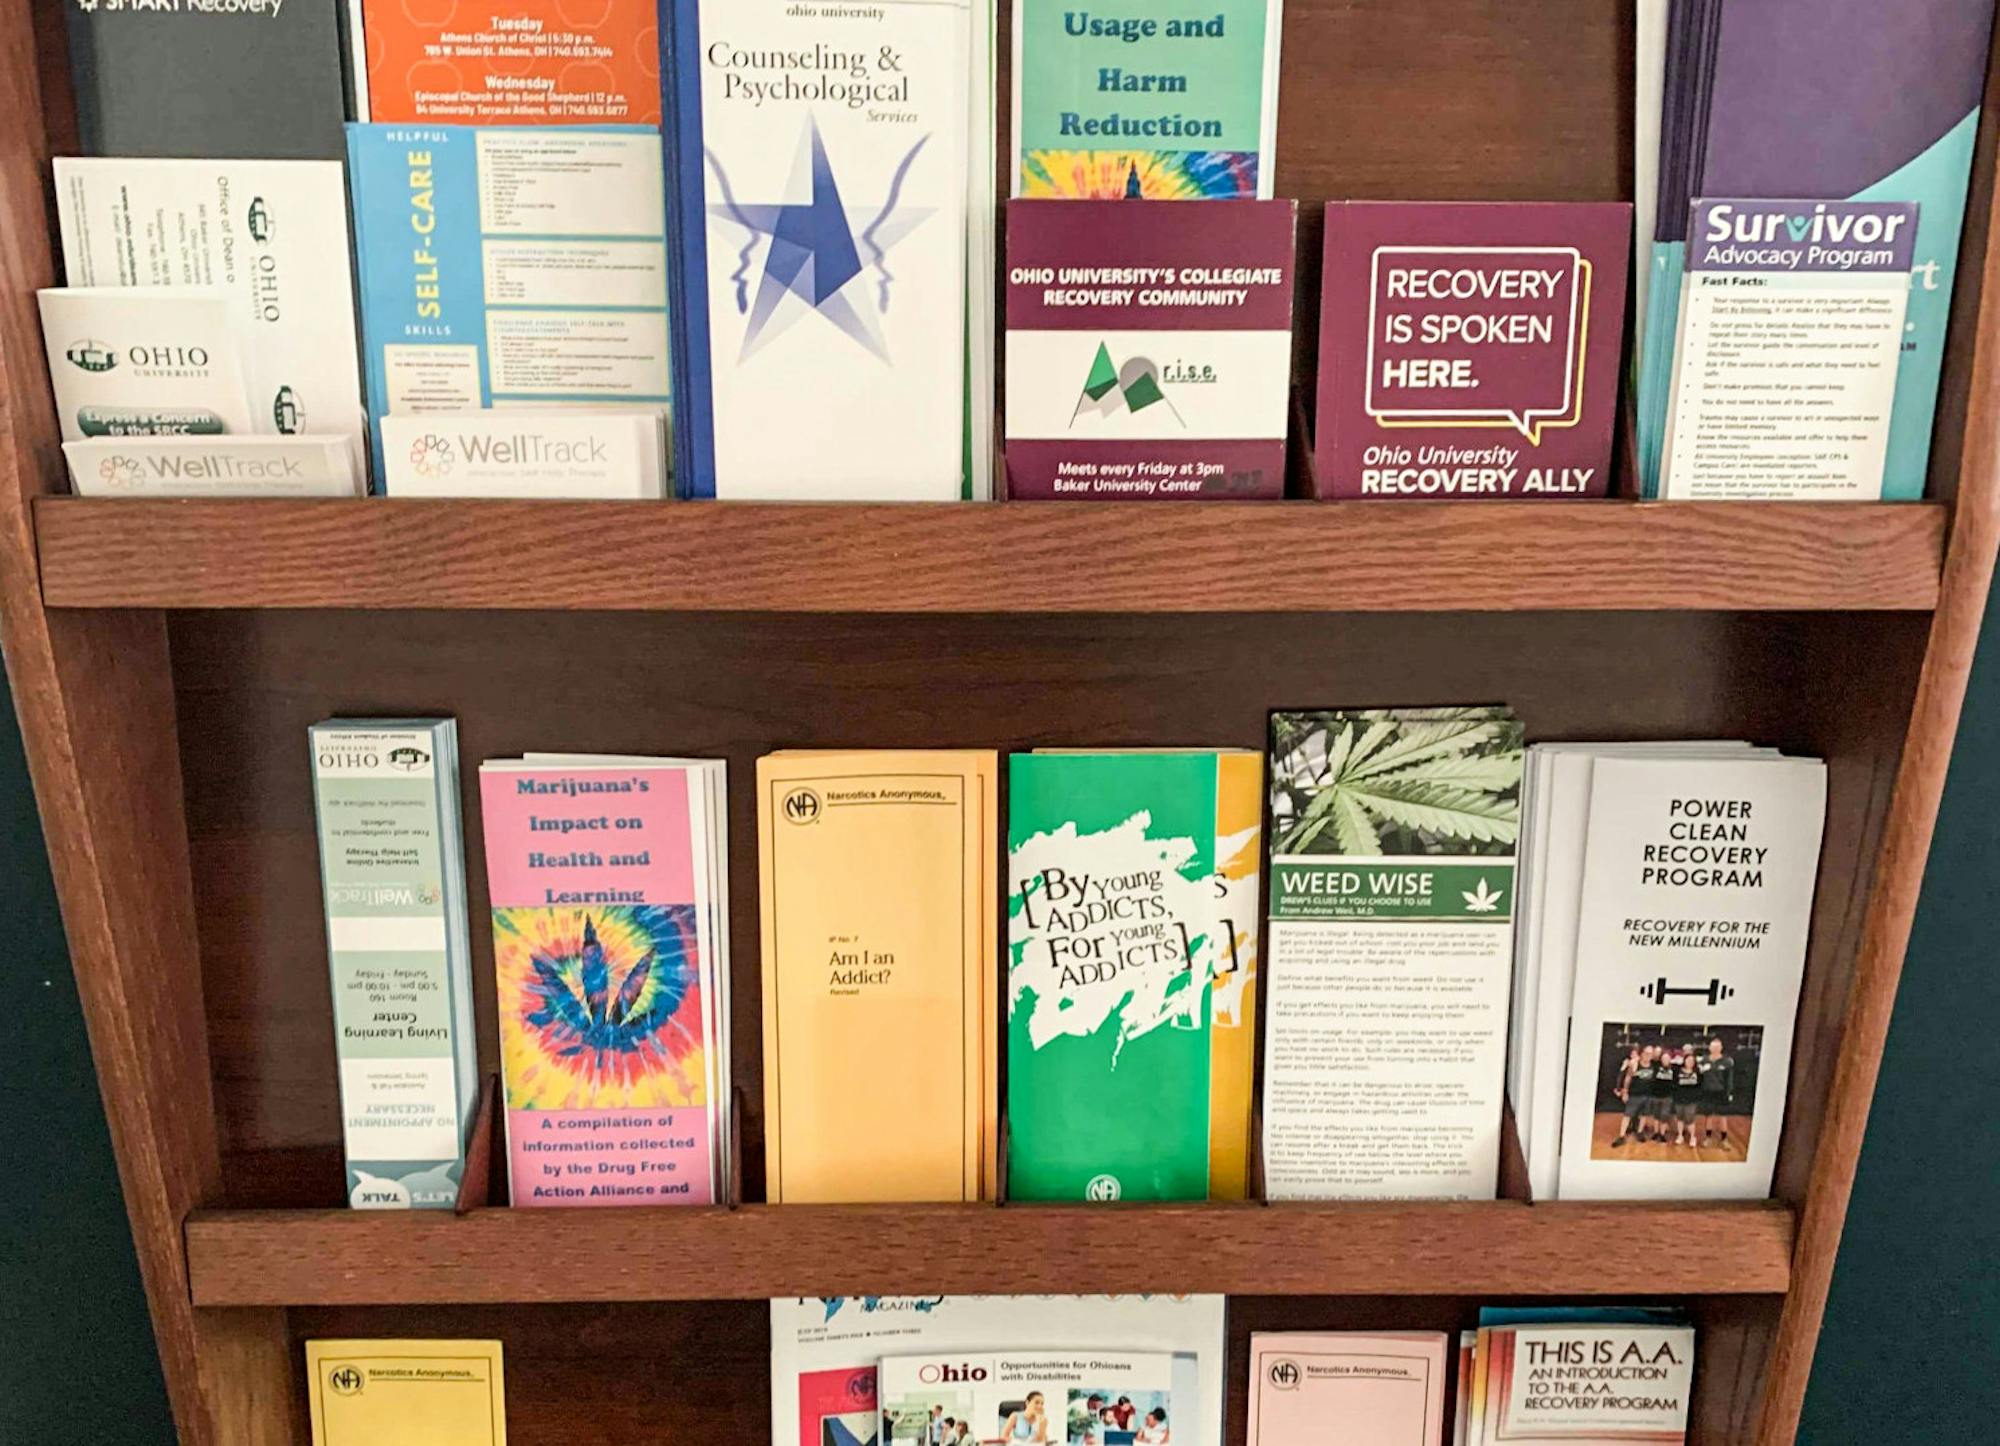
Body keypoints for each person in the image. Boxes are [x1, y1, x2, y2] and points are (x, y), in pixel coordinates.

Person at [1611, 1044, 1657, 1148]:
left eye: (1650, 1053)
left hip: (1648, 1095)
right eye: (1646, 1053)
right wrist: (1625, 1092)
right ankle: (1621, 1136)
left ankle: (1639, 1132)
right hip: (1634, 1095)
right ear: (1642, 1053)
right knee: (1627, 1115)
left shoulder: (1654, 1065)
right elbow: (1627, 1078)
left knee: (1644, 1115)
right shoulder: (1635, 1064)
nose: (1648, 1055)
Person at [1699, 1036, 1737, 1148]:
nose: (1715, 1049)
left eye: (1717, 1047)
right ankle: (1708, 1138)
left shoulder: (1727, 1061)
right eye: (1713, 1047)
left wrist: (1729, 1092)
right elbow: (1700, 1077)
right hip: (1707, 1092)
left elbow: (1729, 1079)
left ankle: (1724, 1140)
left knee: (1722, 1116)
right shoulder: (1704, 1060)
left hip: (1721, 1092)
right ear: (1709, 1048)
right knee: (1708, 1116)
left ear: (1721, 1048)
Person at [1674, 1044, 1702, 1147]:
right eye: (1688, 1060)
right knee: (1680, 1118)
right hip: (1679, 1099)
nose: (1689, 1062)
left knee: (1690, 1119)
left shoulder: (1697, 1072)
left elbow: (1700, 1085)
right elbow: (1674, 1084)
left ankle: (1692, 1137)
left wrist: (1696, 1095)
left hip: (1691, 1100)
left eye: (1691, 1061)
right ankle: (1680, 1135)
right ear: (1684, 1061)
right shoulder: (1678, 1071)